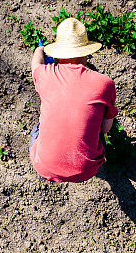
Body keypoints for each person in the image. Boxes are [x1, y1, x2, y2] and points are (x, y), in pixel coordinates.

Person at [29, 17, 118, 182]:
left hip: (44, 166)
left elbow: (36, 65)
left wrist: (39, 50)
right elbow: (106, 129)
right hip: (86, 171)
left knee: (36, 129)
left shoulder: (44, 74)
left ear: (58, 52)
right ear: (87, 51)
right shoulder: (104, 83)